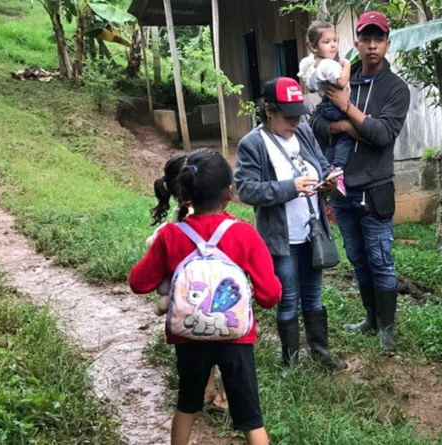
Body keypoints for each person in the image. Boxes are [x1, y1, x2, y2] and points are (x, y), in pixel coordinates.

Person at [129, 148, 281, 445]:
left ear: (185, 193)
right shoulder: (245, 234)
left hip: (189, 339)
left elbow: (138, 283)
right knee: (251, 419)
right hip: (236, 340)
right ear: (228, 192)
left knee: (187, 404)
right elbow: (271, 295)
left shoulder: (170, 235)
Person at [310, 11, 410, 353]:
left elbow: (382, 135)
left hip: (375, 189)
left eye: (378, 39)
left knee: (381, 260)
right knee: (357, 257)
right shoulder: (337, 75)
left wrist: (344, 107)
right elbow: (316, 125)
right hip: (341, 189)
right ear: (357, 42)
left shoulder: (396, 89)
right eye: (365, 39)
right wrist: (348, 125)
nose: (371, 46)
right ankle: (370, 317)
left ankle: (387, 330)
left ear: (387, 43)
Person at [235, 77, 348, 371]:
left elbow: (322, 165)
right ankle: (290, 362)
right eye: (288, 116)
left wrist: (328, 181)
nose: (295, 122)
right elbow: (245, 189)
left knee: (313, 296)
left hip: (313, 232)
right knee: (288, 299)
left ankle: (320, 352)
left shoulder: (305, 132)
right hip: (281, 238)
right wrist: (290, 187)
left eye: (298, 115)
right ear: (269, 110)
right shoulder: (253, 144)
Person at [147, 152, 228, 411]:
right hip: (217, 297)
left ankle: (205, 388)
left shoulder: (174, 224)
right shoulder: (223, 221)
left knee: (198, 341)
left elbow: (145, 278)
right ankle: (221, 392)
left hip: (186, 302)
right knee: (225, 340)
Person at [298, 20, 353, 195]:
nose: (333, 45)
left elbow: (312, 87)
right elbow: (342, 81)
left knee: (335, 140)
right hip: (337, 105)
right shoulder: (328, 64)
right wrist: (347, 65)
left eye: (335, 40)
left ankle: (327, 167)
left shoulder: (314, 67)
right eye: (326, 42)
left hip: (326, 106)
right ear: (314, 47)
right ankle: (338, 169)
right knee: (346, 137)